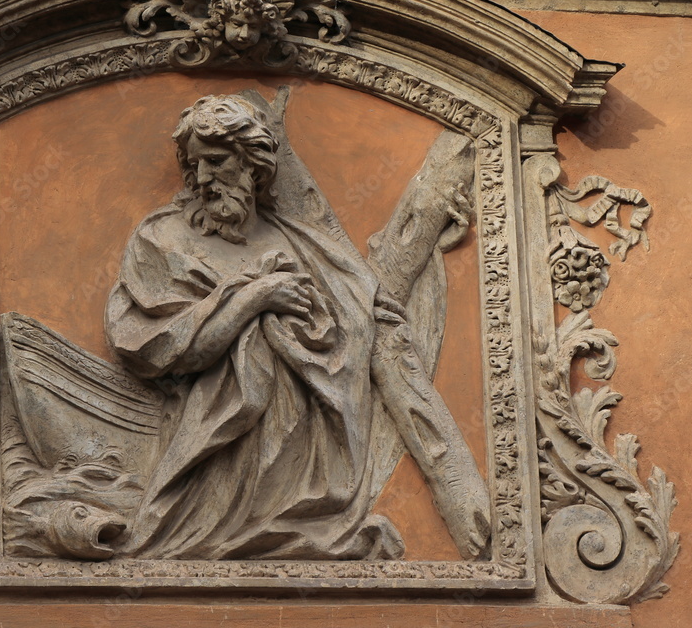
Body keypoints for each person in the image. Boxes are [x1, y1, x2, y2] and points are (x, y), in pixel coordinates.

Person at [105, 93, 488, 560]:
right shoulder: (161, 239)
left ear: (254, 165)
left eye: (217, 161)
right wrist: (255, 297)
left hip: (308, 469)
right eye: (195, 164)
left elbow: (369, 320)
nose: (203, 178)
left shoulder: (304, 243)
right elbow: (159, 348)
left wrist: (425, 250)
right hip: (209, 460)